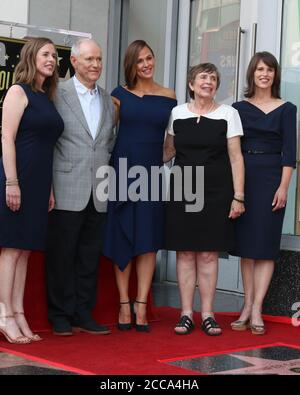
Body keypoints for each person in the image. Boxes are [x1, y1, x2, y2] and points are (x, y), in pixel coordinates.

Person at [164, 63, 245, 336]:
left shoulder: (229, 114)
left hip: (216, 191)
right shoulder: (176, 113)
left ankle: (208, 314)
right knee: (185, 252)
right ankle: (186, 313)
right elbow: (168, 152)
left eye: (213, 78)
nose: (208, 82)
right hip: (183, 189)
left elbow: (236, 157)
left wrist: (239, 196)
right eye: (203, 77)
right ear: (191, 84)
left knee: (209, 253)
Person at [102, 40, 176, 332]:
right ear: (130, 66)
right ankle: (123, 303)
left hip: (152, 175)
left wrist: (157, 163)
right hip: (121, 171)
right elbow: (107, 135)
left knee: (147, 240)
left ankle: (141, 303)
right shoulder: (118, 96)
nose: (146, 64)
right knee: (123, 235)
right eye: (139, 61)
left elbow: (170, 144)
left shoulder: (169, 96)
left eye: (149, 58)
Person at [45, 38, 116, 336]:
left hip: (98, 189)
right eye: (89, 59)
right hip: (65, 186)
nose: (96, 65)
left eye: (99, 59)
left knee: (89, 256)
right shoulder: (56, 93)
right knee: (62, 255)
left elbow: (108, 140)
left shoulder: (108, 99)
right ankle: (60, 314)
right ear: (73, 61)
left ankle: (82, 313)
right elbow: (47, 140)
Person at [0, 37, 63, 344]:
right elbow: (6, 139)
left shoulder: (46, 97)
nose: (51, 59)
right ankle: (4, 315)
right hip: (18, 178)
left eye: (54, 55)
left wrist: (49, 188)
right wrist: (12, 182)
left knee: (24, 251)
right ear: (31, 56)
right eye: (46, 54)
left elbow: (47, 148)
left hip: (39, 184)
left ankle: (19, 312)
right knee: (12, 248)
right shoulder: (18, 91)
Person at [230, 52, 297, 335]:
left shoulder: (287, 108)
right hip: (246, 176)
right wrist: (237, 191)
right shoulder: (237, 108)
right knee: (247, 247)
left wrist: (283, 187)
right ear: (252, 74)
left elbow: (290, 153)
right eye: (260, 69)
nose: (265, 74)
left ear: (275, 75)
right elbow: (232, 150)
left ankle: (258, 308)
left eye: (269, 70)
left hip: (272, 178)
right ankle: (246, 305)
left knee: (266, 246)